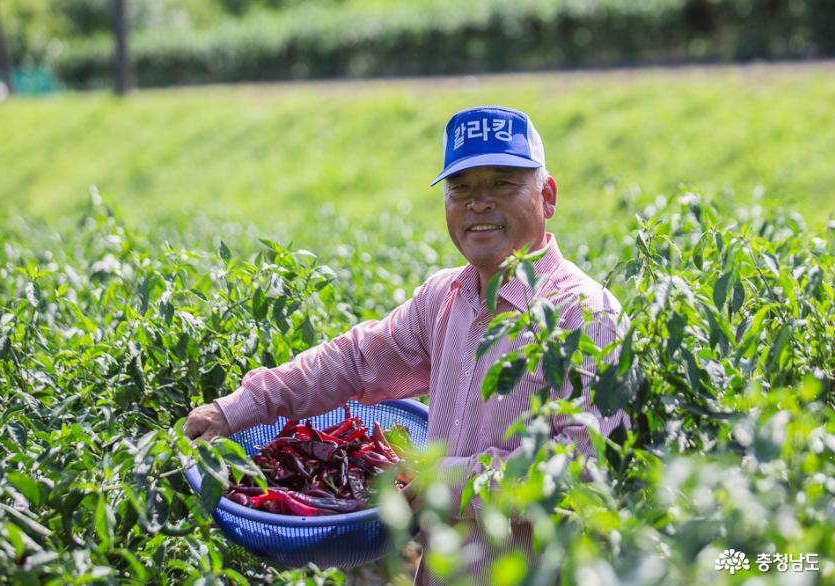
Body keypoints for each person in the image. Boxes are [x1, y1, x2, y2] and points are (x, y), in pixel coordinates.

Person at [183, 105, 630, 584]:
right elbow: (354, 361)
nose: (478, 204)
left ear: (547, 196)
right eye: (461, 189)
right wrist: (236, 409)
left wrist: (455, 482)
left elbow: (582, 472)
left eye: (502, 183)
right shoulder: (447, 298)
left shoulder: (585, 314)